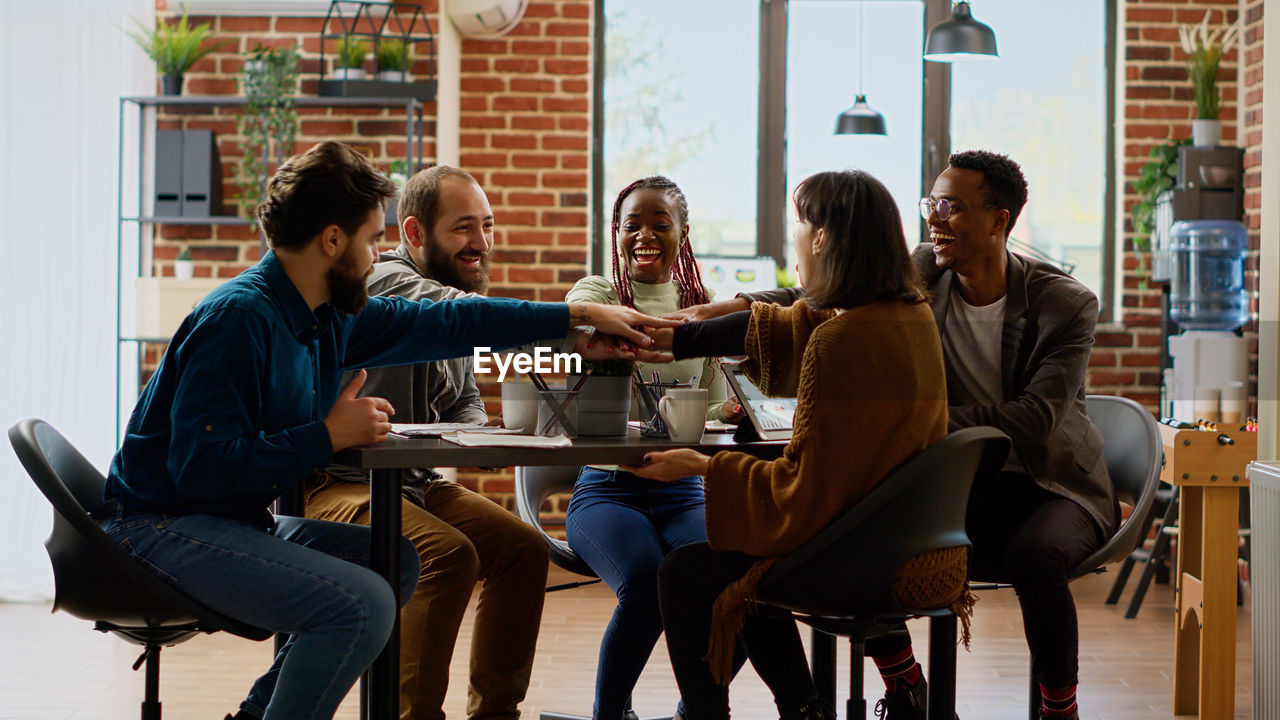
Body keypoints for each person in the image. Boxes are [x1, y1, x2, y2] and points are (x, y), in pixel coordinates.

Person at [100, 141, 677, 720]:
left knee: (394, 563)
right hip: (157, 528)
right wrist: (327, 436)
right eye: (372, 240)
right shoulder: (239, 319)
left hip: (227, 519)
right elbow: (198, 469)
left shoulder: (328, 313)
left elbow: (451, 320)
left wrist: (575, 319)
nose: (377, 257)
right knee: (361, 603)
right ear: (332, 241)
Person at [669, 151, 1115, 720]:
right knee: (863, 519)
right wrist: (741, 306)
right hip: (952, 475)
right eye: (931, 204)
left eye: (951, 207)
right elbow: (844, 294)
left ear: (1000, 220)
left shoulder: (1065, 302)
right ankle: (905, 681)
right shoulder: (923, 270)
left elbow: (1034, 419)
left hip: (1046, 479)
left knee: (1036, 557)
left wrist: (906, 417)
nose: (935, 219)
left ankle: (1060, 706)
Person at [625, 169, 950, 720]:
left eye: (797, 224)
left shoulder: (839, 341)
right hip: (908, 539)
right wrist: (684, 332)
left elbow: (802, 491)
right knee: (741, 550)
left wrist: (703, 467)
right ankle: (804, 708)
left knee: (687, 573)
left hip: (858, 557)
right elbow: (791, 321)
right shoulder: (909, 315)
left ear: (820, 238)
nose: (792, 237)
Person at [303, 165, 581, 720]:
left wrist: (483, 428)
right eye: (463, 228)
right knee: (446, 555)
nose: (480, 243)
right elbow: (453, 317)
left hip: (410, 483)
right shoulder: (387, 286)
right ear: (412, 233)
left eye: (488, 225)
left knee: (523, 550)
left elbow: (463, 401)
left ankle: (496, 714)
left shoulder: (452, 301)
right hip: (332, 482)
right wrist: (571, 322)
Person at [561, 176, 738, 720]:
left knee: (739, 585)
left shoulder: (704, 310)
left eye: (661, 224)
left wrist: (726, 412)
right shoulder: (599, 293)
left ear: (682, 233)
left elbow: (709, 408)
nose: (645, 235)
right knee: (644, 583)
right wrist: (649, 331)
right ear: (616, 233)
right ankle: (610, 715)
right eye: (632, 224)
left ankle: (695, 709)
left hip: (685, 489)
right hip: (608, 489)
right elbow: (576, 316)